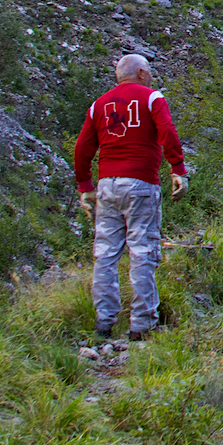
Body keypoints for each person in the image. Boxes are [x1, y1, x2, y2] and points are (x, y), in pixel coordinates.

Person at [73, 53, 189, 341]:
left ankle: (104, 322)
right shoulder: (152, 98)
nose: (150, 76)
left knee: (105, 254)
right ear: (140, 73)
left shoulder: (98, 105)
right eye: (148, 71)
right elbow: (167, 132)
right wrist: (177, 168)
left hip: (107, 186)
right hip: (140, 184)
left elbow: (82, 149)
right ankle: (141, 324)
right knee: (142, 253)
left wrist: (85, 186)